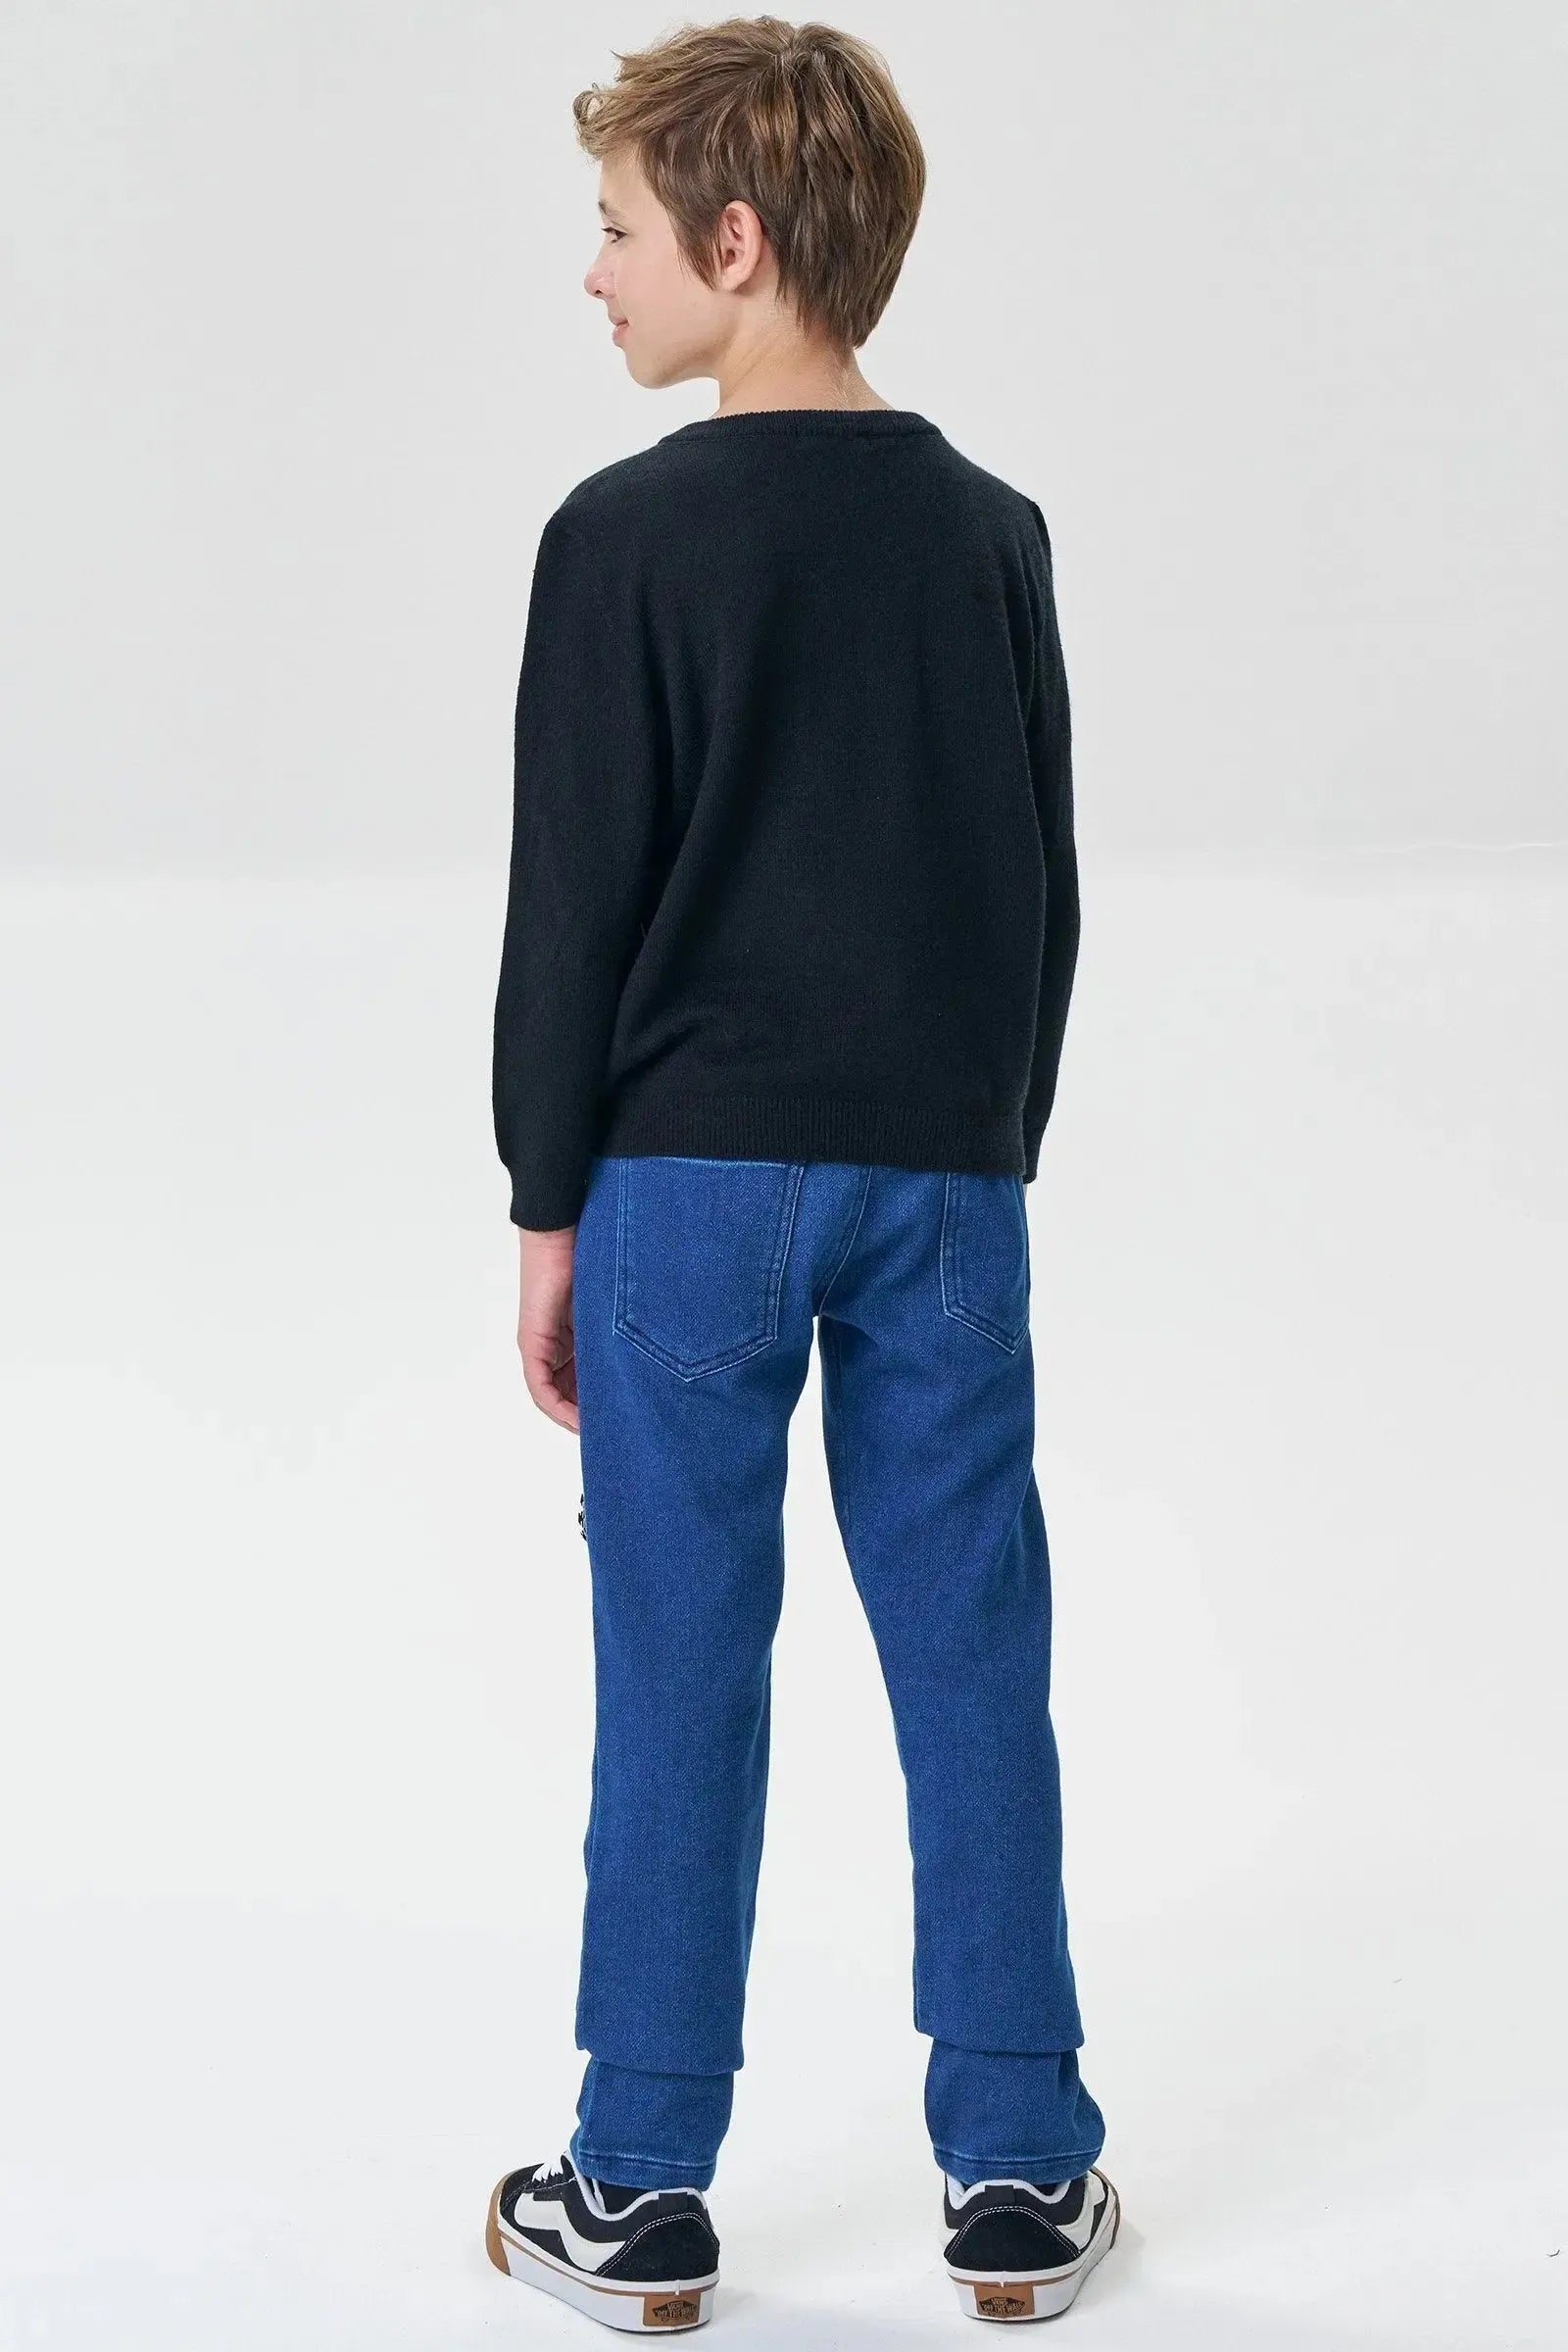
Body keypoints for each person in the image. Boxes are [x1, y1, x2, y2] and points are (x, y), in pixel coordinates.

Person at [483, 16, 1121, 2331]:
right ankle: (1020, 2166)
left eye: (618, 232)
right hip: (939, 1178)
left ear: (733, 243)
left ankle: (637, 2183)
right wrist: (985, 1144)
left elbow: (573, 906)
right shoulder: (986, 535)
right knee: (971, 1651)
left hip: (681, 1188)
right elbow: (1039, 884)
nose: (594, 275)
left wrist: (544, 1203)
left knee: (678, 1664)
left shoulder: (620, 539)